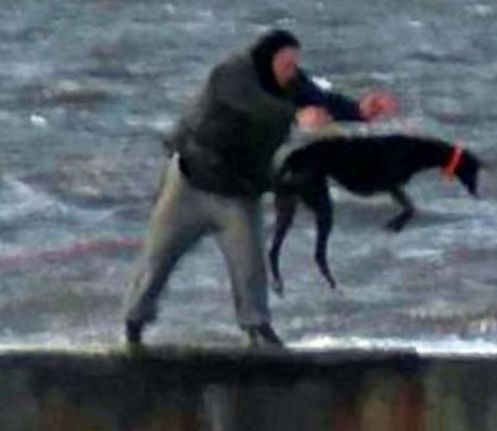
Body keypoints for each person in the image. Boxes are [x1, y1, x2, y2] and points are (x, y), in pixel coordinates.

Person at [122, 29, 396, 347]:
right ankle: (134, 325)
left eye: (296, 65)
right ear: (267, 59)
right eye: (287, 64)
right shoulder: (231, 74)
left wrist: (360, 111)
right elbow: (253, 105)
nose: (293, 72)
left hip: (238, 194)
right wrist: (295, 115)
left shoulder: (291, 83)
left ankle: (257, 329)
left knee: (250, 265)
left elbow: (320, 102)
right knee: (157, 259)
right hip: (188, 185)